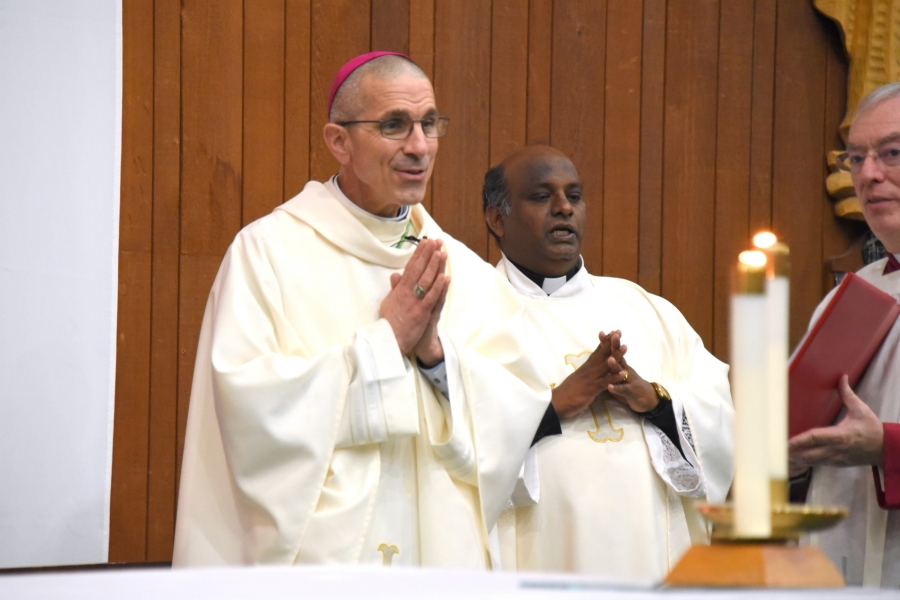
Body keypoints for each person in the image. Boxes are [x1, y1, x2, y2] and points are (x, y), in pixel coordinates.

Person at [172, 52, 550, 567]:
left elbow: (517, 411)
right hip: (326, 557)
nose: (419, 146)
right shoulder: (269, 253)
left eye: (429, 124)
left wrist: (438, 357)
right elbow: (248, 406)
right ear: (339, 142)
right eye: (394, 125)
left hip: (439, 550)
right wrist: (385, 341)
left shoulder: (463, 270)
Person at [482, 146, 734, 583]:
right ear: (496, 219)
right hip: (538, 555)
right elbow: (453, 437)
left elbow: (719, 417)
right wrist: (553, 407)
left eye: (574, 196)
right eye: (542, 196)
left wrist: (655, 400)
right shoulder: (473, 313)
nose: (564, 208)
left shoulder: (646, 309)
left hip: (648, 554)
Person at [789, 82, 900, 587]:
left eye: (892, 153)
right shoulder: (846, 297)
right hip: (835, 557)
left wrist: (885, 447)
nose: (868, 175)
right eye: (855, 158)